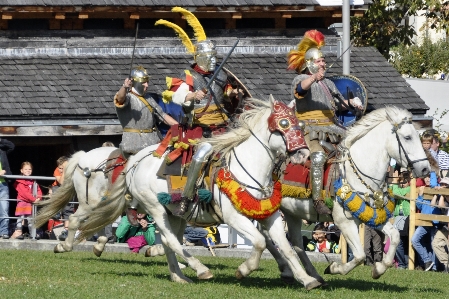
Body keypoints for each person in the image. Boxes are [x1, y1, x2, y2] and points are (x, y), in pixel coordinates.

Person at [155, 7, 248, 217]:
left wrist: (233, 94)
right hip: (199, 126)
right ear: (199, 57)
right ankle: (186, 198)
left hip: (222, 125)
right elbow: (176, 95)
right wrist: (191, 97)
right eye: (209, 56)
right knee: (200, 157)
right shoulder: (188, 75)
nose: (214, 60)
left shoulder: (220, 75)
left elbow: (225, 96)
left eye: (215, 56)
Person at [286, 30, 363, 215]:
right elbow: (299, 90)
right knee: (319, 157)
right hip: (310, 129)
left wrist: (352, 104)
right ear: (310, 64)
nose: (324, 63)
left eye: (323, 60)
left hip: (334, 128)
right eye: (320, 61)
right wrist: (313, 78)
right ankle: (318, 199)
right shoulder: (301, 79)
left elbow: (338, 106)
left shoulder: (328, 83)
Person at [114, 66, 178, 225]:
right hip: (134, 142)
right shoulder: (128, 97)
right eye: (144, 82)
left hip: (154, 142)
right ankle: (132, 204)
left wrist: (179, 127)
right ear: (135, 83)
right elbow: (119, 99)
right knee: (136, 172)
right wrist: (124, 87)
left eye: (147, 82)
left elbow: (163, 116)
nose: (147, 85)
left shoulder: (149, 98)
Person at [411, 182, 442, 271]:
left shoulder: (438, 187)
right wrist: (420, 195)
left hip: (435, 221)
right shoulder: (423, 188)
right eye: (426, 177)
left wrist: (439, 190)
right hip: (424, 221)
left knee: (434, 244)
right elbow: (419, 206)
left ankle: (435, 268)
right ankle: (427, 261)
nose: (427, 179)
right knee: (414, 239)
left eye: (429, 177)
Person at [12, 161, 42, 239]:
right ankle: (18, 232)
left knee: (30, 219)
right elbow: (24, 193)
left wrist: (39, 197)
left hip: (30, 204)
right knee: (20, 218)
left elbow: (38, 190)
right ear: (21, 170)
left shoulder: (33, 180)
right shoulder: (20, 181)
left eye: (30, 169)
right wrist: (34, 199)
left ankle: (32, 234)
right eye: (25, 169)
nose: (28, 171)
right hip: (22, 203)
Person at [391, 170, 411, 269]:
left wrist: (395, 181)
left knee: (403, 241)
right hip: (398, 217)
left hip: (407, 217)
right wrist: (394, 182)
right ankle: (402, 264)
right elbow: (391, 191)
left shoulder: (410, 189)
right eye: (401, 182)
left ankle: (405, 264)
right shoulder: (399, 188)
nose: (402, 184)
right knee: (398, 241)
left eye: (404, 182)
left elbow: (396, 193)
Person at [50, 156, 74, 241]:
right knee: (56, 192)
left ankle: (66, 230)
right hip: (58, 188)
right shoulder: (57, 170)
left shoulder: (72, 170)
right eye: (60, 168)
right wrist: (64, 171)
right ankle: (56, 211)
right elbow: (61, 181)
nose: (61, 170)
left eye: (63, 168)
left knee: (68, 209)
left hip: (68, 190)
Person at [431, 177, 449, 272]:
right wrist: (436, 194)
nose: (442, 186)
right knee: (436, 243)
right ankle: (447, 265)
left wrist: (442, 194)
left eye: (445, 185)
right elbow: (433, 204)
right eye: (441, 184)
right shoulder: (442, 195)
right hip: (445, 226)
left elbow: (441, 206)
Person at [0, 138, 14, 239]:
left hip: (3, 184)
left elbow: (11, 146)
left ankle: (4, 232)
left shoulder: (2, 149)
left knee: (4, 209)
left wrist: (0, 140)